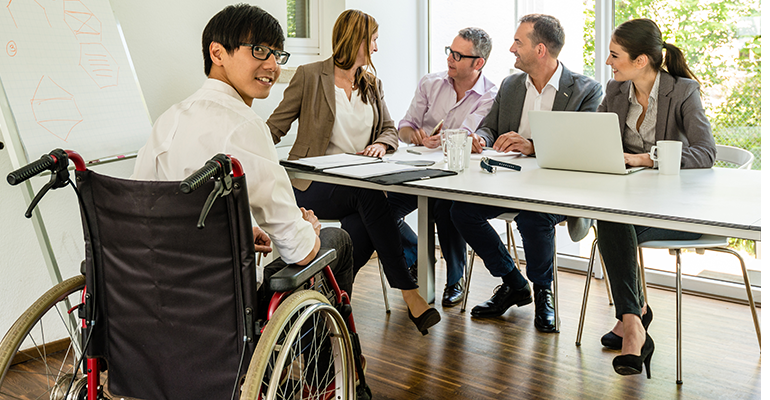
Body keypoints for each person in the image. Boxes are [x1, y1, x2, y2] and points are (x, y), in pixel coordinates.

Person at [131, 4, 354, 307]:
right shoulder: (244, 125)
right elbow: (299, 250)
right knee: (335, 240)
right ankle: (328, 354)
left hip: (160, 294)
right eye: (260, 50)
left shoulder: (169, 118)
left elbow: (143, 210)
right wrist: (310, 232)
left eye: (277, 54)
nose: (273, 65)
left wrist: (233, 233)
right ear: (217, 53)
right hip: (224, 302)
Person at [267, 9, 440, 335]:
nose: (376, 48)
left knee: (364, 215)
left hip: (359, 184)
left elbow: (389, 129)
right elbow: (274, 128)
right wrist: (256, 164)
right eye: (372, 40)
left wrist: (381, 145)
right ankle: (409, 292)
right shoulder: (310, 75)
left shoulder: (371, 84)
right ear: (356, 40)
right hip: (314, 183)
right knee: (370, 196)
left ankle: (328, 298)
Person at [450, 14, 602, 333]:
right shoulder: (511, 85)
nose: (511, 49)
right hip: (508, 181)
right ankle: (514, 282)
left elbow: (583, 146)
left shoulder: (586, 90)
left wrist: (534, 146)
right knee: (461, 210)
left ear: (541, 50)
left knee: (533, 218)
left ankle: (543, 293)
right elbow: (491, 126)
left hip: (556, 189)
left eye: (519, 43)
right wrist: (482, 138)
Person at [596, 18, 716, 377]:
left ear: (641, 61)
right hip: (629, 202)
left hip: (675, 208)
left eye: (615, 55)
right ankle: (634, 322)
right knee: (612, 217)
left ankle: (631, 321)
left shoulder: (682, 92)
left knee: (612, 222)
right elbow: (597, 137)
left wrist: (646, 159)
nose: (608, 62)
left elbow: (705, 152)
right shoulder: (616, 91)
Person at [389, 27, 497, 307]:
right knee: (381, 210)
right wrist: (411, 134)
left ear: (478, 63)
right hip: (416, 169)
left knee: (444, 207)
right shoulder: (430, 83)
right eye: (449, 51)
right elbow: (405, 125)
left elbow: (465, 135)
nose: (450, 58)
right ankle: (417, 258)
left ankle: (454, 280)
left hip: (455, 175)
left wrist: (444, 139)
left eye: (459, 55)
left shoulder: (490, 95)